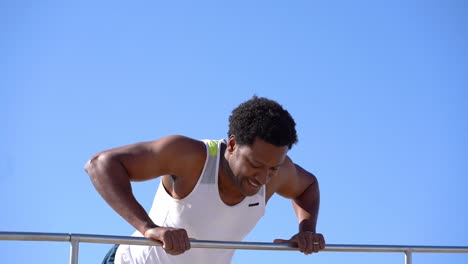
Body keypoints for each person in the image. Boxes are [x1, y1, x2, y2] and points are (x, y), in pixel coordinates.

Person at [85, 96, 325, 264]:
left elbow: (308, 186)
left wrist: (307, 230)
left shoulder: (280, 172)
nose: (263, 178)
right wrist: (149, 229)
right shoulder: (190, 157)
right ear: (232, 145)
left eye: (272, 168)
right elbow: (100, 164)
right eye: (255, 165)